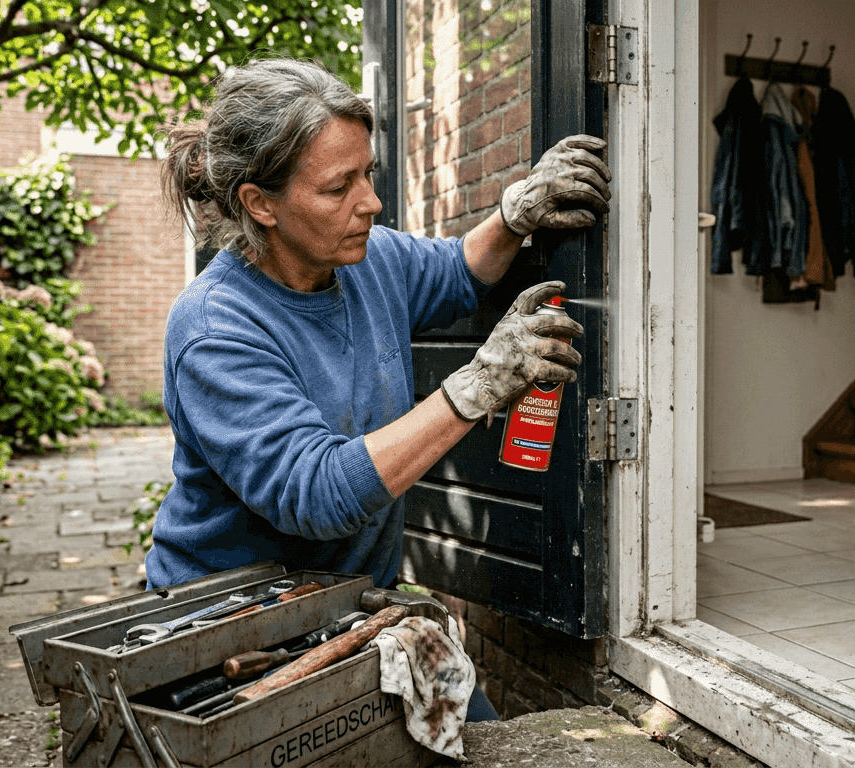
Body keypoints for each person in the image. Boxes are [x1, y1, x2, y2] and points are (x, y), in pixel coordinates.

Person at [148, 58, 611, 721]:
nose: (370, 202)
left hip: (353, 609)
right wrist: (476, 387)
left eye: (368, 174)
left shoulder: (369, 261)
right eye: (339, 187)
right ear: (260, 204)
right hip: (230, 634)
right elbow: (318, 493)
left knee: (477, 738)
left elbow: (457, 272)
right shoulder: (215, 328)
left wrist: (514, 215)